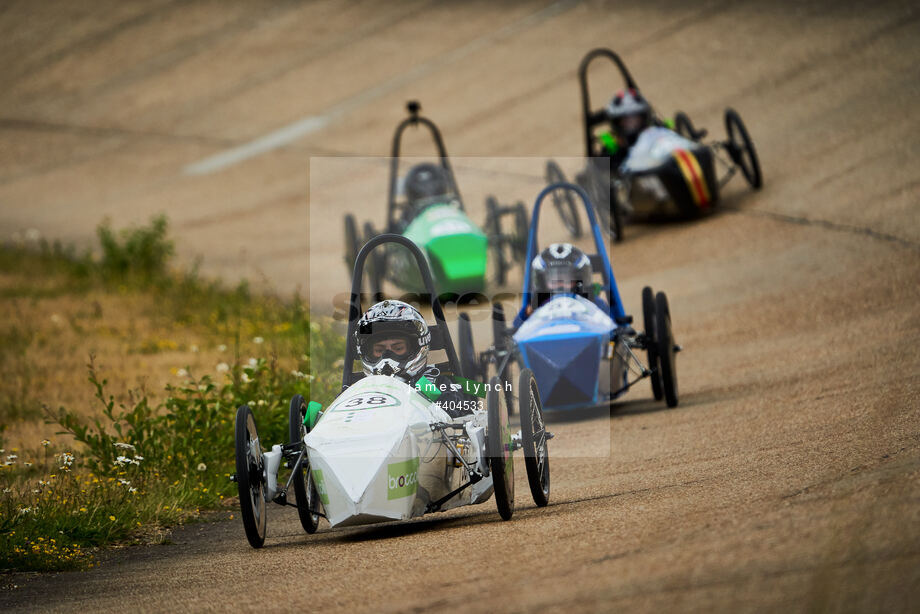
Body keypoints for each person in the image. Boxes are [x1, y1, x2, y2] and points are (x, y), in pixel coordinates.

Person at [355, 299, 474, 418]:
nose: (387, 358)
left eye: (398, 348)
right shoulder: (357, 388)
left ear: (418, 347)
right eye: (379, 350)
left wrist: (422, 390)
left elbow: (454, 411)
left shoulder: (430, 383)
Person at [596, 89, 653, 168]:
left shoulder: (660, 138)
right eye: (626, 121)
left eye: (636, 121)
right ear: (616, 124)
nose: (632, 126)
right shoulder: (611, 152)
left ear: (645, 119)